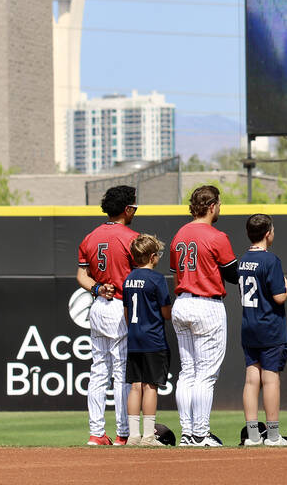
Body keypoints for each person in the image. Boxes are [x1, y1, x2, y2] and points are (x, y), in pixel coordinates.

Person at [170, 185, 238, 447]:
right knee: (205, 375)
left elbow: (177, 270)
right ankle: (200, 433)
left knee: (187, 373)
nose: (219, 208)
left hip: (182, 302)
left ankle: (188, 433)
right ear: (211, 206)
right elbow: (232, 275)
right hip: (206, 304)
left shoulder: (180, 234)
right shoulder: (216, 235)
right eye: (218, 204)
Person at [76, 185, 139, 446]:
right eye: (133, 207)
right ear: (126, 209)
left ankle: (96, 433)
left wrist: (98, 287)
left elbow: (81, 275)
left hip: (98, 303)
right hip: (119, 305)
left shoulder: (90, 237)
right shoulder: (132, 237)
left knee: (99, 371)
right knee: (121, 373)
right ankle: (123, 433)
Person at [238, 213, 287, 447]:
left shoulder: (243, 259)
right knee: (270, 381)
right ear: (268, 233)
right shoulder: (271, 261)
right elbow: (279, 297)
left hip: (249, 327)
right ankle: (272, 435)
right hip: (269, 327)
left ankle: (252, 435)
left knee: (251, 380)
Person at [122, 234, 173, 447]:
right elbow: (166, 313)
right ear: (152, 257)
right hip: (153, 339)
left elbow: (126, 312)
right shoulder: (157, 279)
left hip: (134, 338)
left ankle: (133, 435)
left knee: (135, 386)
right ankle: (148, 436)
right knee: (151, 386)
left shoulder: (128, 279)